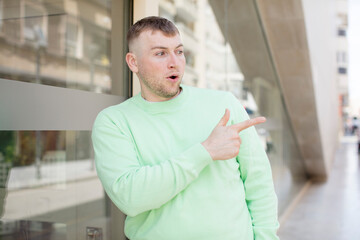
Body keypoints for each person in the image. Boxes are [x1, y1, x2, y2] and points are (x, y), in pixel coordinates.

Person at [92, 16, 280, 240]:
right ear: (133, 62)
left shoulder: (224, 105)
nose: (174, 62)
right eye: (160, 53)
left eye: (179, 52)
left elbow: (259, 184)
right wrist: (205, 152)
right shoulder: (114, 122)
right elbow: (130, 198)